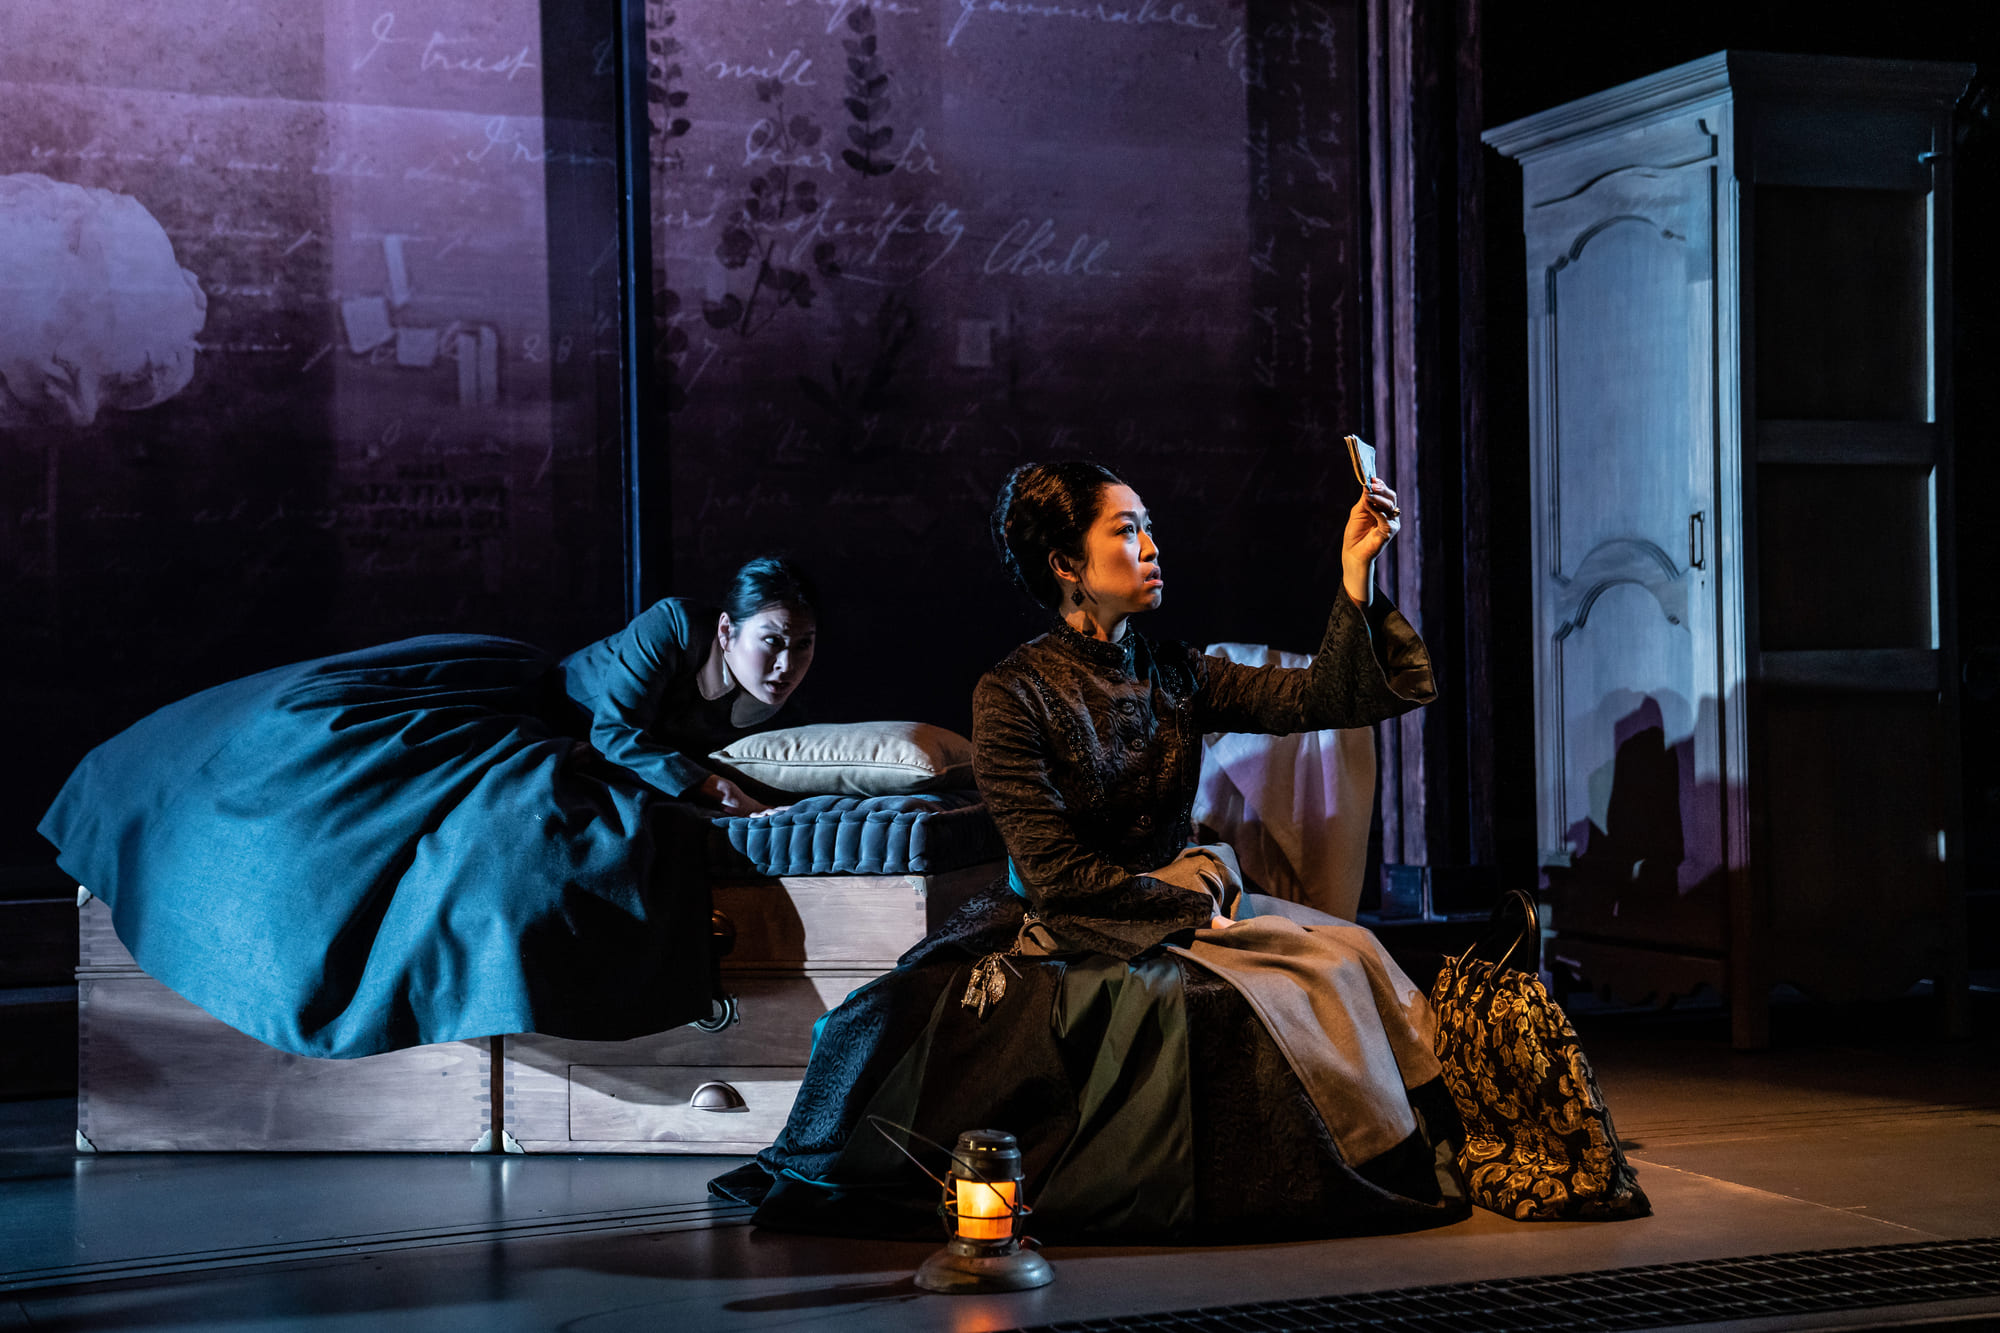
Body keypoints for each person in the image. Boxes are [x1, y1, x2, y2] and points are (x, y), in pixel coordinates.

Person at [716, 464, 1466, 1244]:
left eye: (1149, 527)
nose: (1151, 546)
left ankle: (1393, 1153)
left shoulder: (1174, 672)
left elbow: (1324, 698)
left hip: (1180, 910)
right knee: (1222, 1003)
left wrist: (1355, 573)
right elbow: (1055, 876)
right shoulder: (1012, 693)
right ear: (1067, 564)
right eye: (1127, 530)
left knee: (1350, 956)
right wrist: (1188, 900)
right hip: (1070, 931)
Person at [38, 557, 819, 1059]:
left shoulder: (761, 705)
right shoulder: (672, 626)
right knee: (338, 746)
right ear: (727, 628)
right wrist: (714, 791)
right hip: (540, 710)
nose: (786, 663)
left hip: (581, 750)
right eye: (773, 640)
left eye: (803, 646)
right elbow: (614, 730)